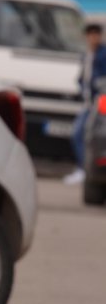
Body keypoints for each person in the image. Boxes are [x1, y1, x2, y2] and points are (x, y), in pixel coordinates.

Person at [63, 22, 106, 184]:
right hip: (88, 103)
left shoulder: (103, 55)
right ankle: (83, 169)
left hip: (99, 103)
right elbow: (83, 77)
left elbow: (101, 80)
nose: (93, 38)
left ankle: (84, 170)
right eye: (90, 35)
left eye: (96, 35)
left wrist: (97, 88)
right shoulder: (86, 54)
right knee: (79, 135)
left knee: (82, 134)